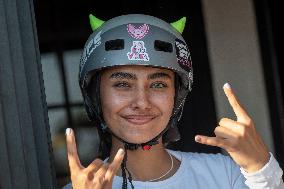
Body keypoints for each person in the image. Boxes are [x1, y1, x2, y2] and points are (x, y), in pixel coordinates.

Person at [63, 13, 284, 189]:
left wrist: (262, 170)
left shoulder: (226, 175)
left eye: (158, 84)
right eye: (122, 84)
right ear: (95, 96)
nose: (142, 102)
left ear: (177, 97)